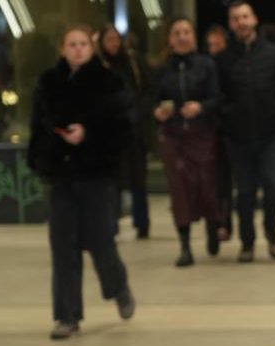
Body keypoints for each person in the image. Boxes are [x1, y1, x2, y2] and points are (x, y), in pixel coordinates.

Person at [28, 25, 137, 340]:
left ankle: (118, 286)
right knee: (63, 247)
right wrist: (48, 150)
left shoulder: (110, 82)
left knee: (101, 242)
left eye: (82, 44)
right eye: (71, 44)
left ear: (91, 48)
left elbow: (124, 129)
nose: (77, 49)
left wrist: (88, 133)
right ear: (62, 49)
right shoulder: (48, 83)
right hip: (61, 175)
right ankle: (67, 316)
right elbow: (38, 126)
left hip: (96, 174)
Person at [216, 1, 275, 262]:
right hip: (237, 138)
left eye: (245, 16)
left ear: (254, 19)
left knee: (273, 187)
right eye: (235, 18)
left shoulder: (274, 53)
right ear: (231, 24)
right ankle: (247, 242)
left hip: (270, 136)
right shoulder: (223, 58)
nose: (241, 22)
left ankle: (271, 232)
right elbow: (216, 95)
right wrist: (229, 113)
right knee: (245, 193)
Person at [153, 18, 222, 267]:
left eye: (186, 32)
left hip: (202, 134)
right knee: (179, 190)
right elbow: (153, 100)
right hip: (173, 136)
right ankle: (185, 246)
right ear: (170, 39)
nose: (182, 36)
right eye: (177, 33)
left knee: (206, 185)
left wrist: (200, 107)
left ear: (193, 36)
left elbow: (217, 98)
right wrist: (158, 111)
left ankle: (213, 226)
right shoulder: (162, 69)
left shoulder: (206, 65)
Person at [97, 24, 151, 240]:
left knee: (138, 179)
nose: (113, 44)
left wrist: (139, 115)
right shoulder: (99, 66)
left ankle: (142, 222)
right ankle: (112, 223)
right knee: (112, 181)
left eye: (116, 39)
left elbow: (145, 91)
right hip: (109, 133)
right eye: (109, 40)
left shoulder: (132, 62)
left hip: (133, 130)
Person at [204, 24, 234, 242]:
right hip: (207, 130)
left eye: (218, 44)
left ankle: (224, 223)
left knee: (224, 181)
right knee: (211, 182)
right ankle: (215, 225)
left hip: (227, 130)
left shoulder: (231, 65)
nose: (215, 49)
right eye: (211, 45)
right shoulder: (205, 66)